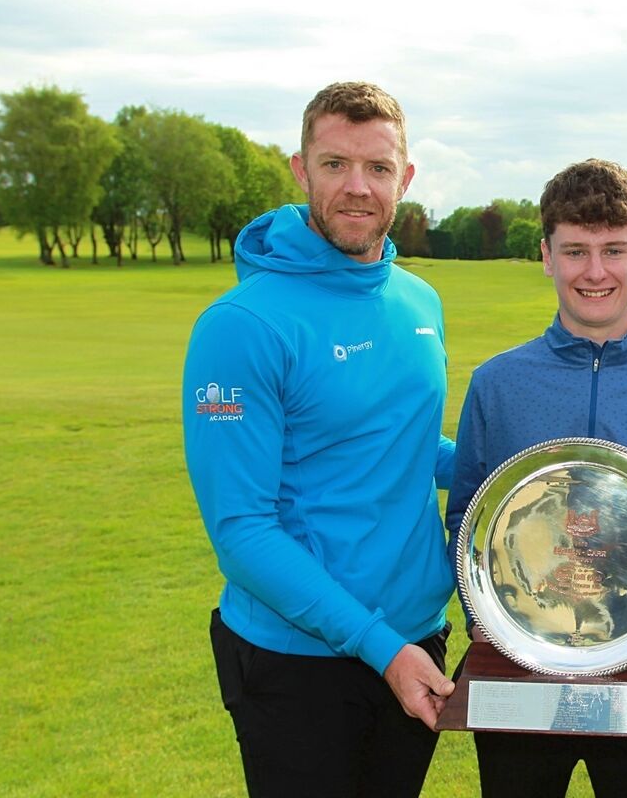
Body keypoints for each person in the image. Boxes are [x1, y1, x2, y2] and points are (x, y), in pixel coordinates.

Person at [182, 81, 456, 798]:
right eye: (335, 164)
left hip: (418, 637)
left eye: (378, 167)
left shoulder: (419, 300)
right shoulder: (241, 326)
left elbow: (404, 446)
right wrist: (380, 648)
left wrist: (532, 472)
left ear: (406, 178)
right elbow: (241, 529)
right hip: (297, 662)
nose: (357, 187)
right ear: (301, 170)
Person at [446, 159, 627, 798]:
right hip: (519, 667)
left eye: (614, 250)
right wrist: (488, 618)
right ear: (547, 256)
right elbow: (467, 517)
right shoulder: (498, 383)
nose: (595, 271)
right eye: (575, 250)